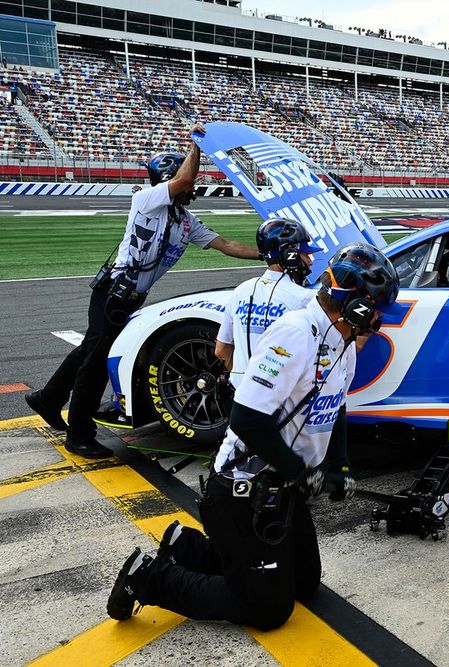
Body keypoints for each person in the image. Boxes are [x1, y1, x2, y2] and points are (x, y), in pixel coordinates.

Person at [105, 244, 400, 630]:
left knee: (305, 583)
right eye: (376, 308)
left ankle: (186, 546)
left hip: (285, 488)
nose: (378, 319)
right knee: (269, 610)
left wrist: (338, 465)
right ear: (355, 304)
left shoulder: (342, 341)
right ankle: (148, 578)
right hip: (242, 489)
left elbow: (336, 405)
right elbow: (246, 419)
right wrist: (299, 469)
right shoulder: (295, 334)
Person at [25, 125, 259, 459]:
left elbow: (226, 244)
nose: (194, 187)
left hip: (131, 297)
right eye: (188, 181)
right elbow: (181, 181)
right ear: (168, 180)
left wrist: (269, 253)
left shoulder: (186, 220)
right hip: (112, 293)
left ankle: (47, 399)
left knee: (89, 350)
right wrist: (196, 148)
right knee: (95, 362)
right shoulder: (147, 200)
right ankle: (79, 434)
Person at [215, 218, 321, 388]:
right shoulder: (304, 298)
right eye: (307, 254)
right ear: (290, 256)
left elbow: (221, 350)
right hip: (280, 400)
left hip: (238, 396)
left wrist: (246, 383)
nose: (310, 261)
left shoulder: (241, 291)